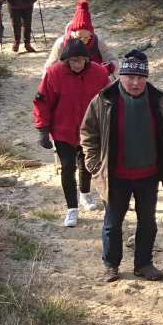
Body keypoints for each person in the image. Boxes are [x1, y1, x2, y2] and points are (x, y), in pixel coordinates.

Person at [80, 48, 163, 282]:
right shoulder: (104, 100)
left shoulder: (161, 100)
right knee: (112, 224)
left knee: (148, 222)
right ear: (121, 76)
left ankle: (144, 264)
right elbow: (88, 132)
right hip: (115, 175)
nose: (135, 83)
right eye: (130, 77)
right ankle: (111, 265)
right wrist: (94, 163)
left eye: (140, 77)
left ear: (146, 77)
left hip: (149, 174)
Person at [34, 39, 110, 226]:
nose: (77, 64)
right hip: (63, 129)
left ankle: (85, 193)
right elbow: (42, 101)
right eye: (73, 61)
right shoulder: (54, 73)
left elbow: (110, 100)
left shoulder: (99, 73)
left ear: (87, 59)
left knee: (87, 164)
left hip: (91, 130)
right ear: (66, 60)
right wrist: (43, 130)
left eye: (80, 60)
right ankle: (72, 209)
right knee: (68, 167)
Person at [50, 0, 108, 66]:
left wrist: (109, 68)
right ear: (72, 33)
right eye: (79, 37)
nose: (82, 41)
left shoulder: (98, 42)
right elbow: (50, 67)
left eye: (86, 37)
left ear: (91, 35)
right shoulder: (61, 43)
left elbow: (112, 60)